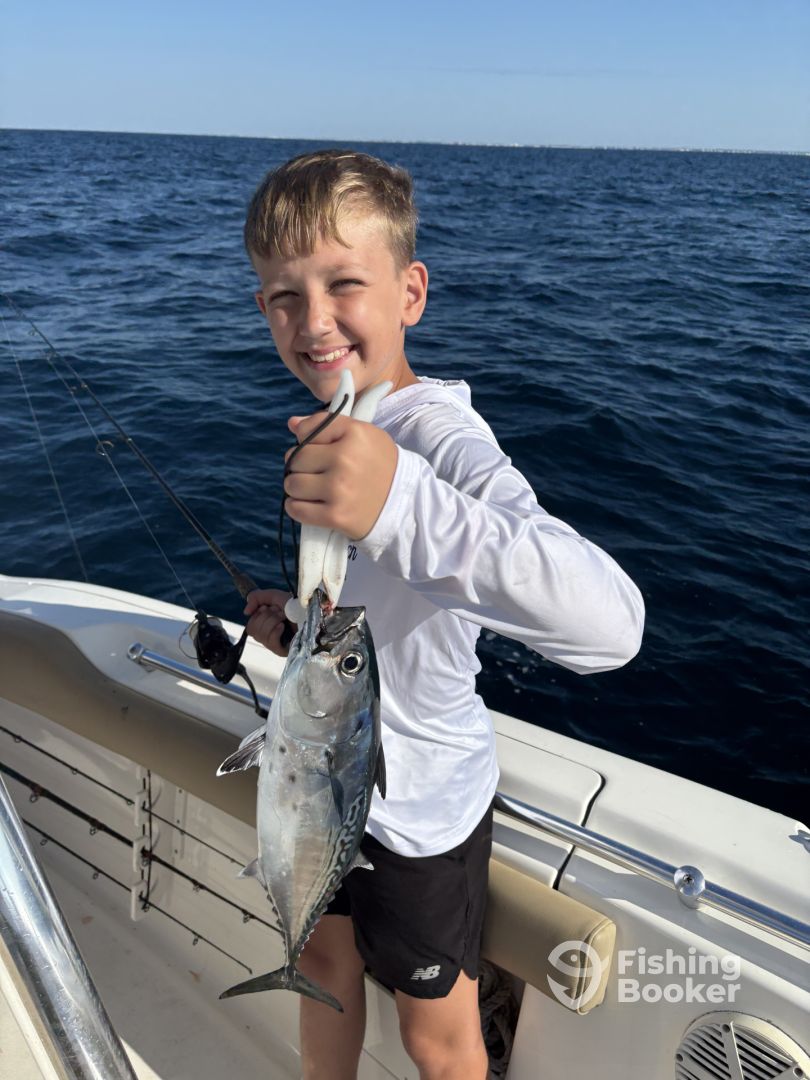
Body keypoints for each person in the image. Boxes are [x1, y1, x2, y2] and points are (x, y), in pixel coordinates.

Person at [241, 149, 645, 1080]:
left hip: (420, 814)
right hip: (317, 781)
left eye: (345, 283)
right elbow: (362, 613)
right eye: (285, 297)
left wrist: (399, 502)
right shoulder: (332, 423)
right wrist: (296, 629)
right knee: (321, 964)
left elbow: (611, 625)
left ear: (411, 293)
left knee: (437, 1035)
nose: (314, 321)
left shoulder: (441, 439)